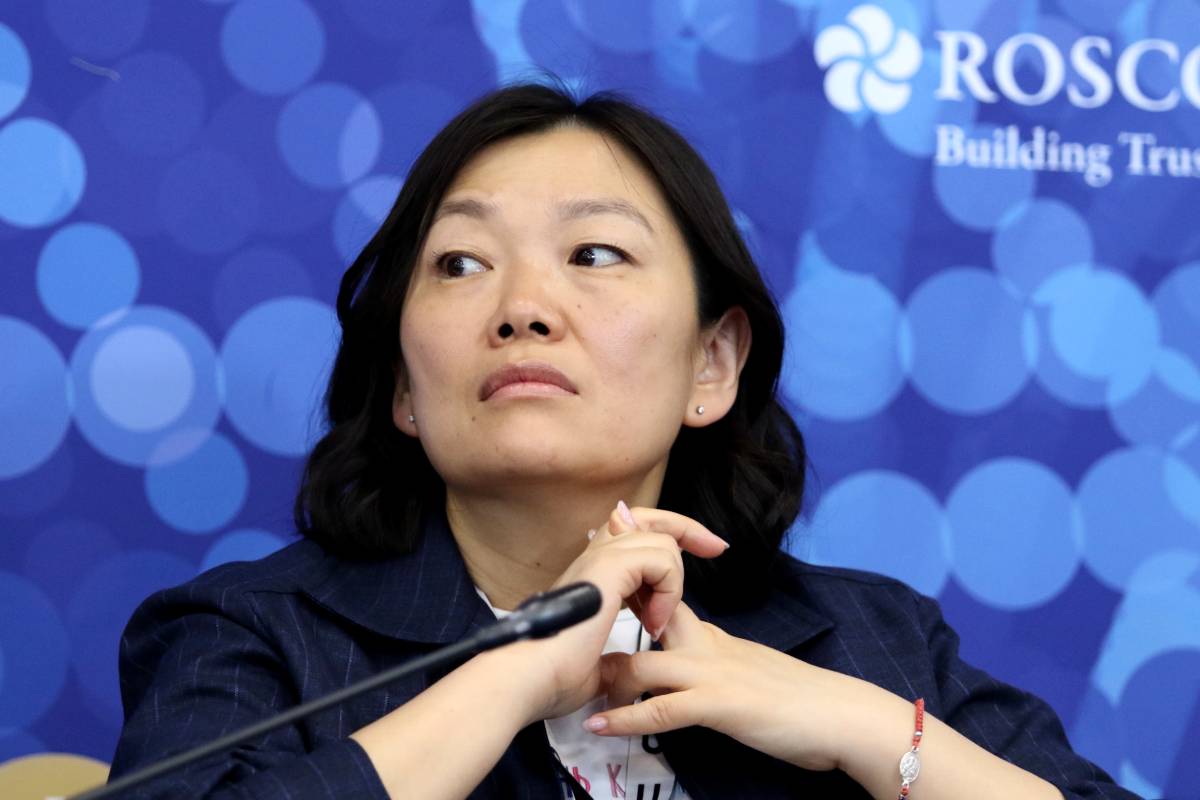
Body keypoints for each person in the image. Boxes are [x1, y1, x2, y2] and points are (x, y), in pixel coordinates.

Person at [108, 80, 1142, 800]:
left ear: (712, 364)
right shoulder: (253, 634)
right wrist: (512, 673)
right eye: (461, 264)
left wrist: (868, 729)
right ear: (403, 389)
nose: (523, 307)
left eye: (594, 254)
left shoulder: (872, 639)